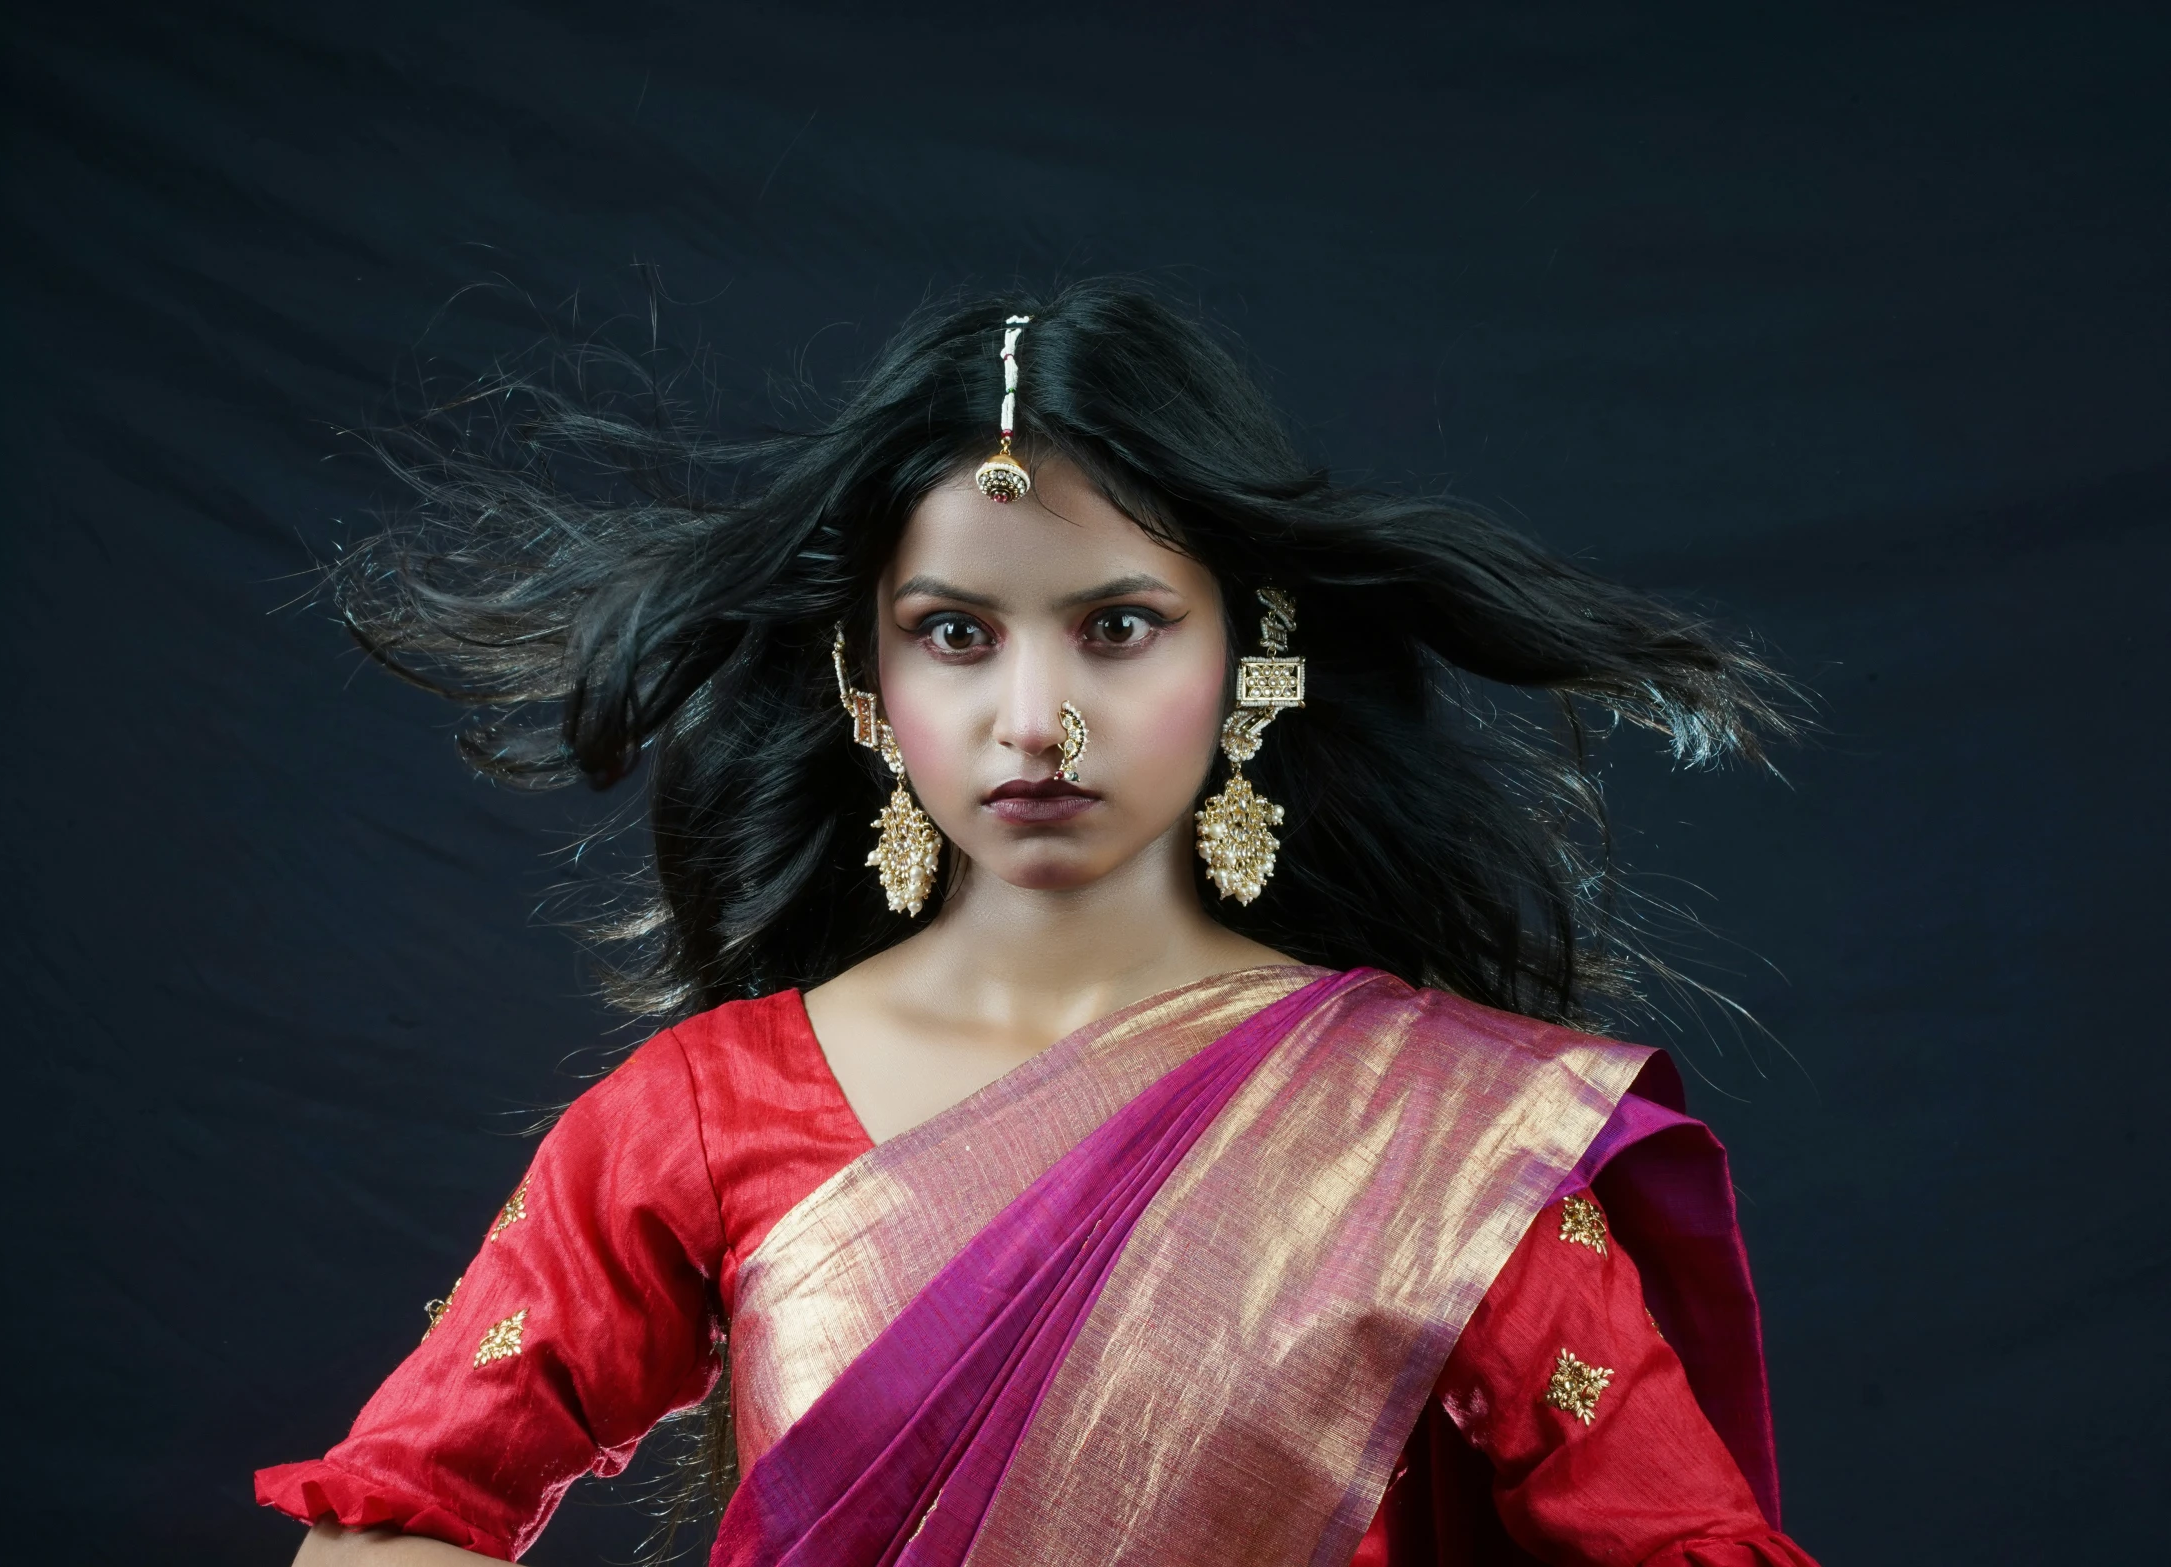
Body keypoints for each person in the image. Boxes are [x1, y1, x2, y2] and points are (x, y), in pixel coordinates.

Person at [257, 280, 1820, 1565]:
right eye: (954, 633)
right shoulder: (699, 1117)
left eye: (1117, 627)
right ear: (867, 686)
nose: (1036, 722)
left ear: (1247, 656)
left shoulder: (1442, 1136)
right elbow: (400, 1515)